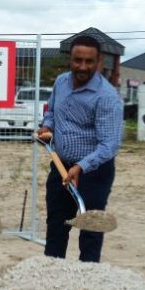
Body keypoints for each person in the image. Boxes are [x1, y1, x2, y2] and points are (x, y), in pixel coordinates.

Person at [35, 34, 123, 262]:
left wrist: (81, 167)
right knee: (56, 225)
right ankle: (52, 276)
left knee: (91, 231)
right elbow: (52, 112)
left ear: (99, 62)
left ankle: (87, 283)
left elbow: (110, 144)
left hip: (94, 172)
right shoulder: (61, 82)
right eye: (77, 60)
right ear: (70, 59)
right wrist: (46, 126)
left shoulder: (107, 97)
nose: (82, 66)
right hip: (60, 167)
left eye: (89, 61)